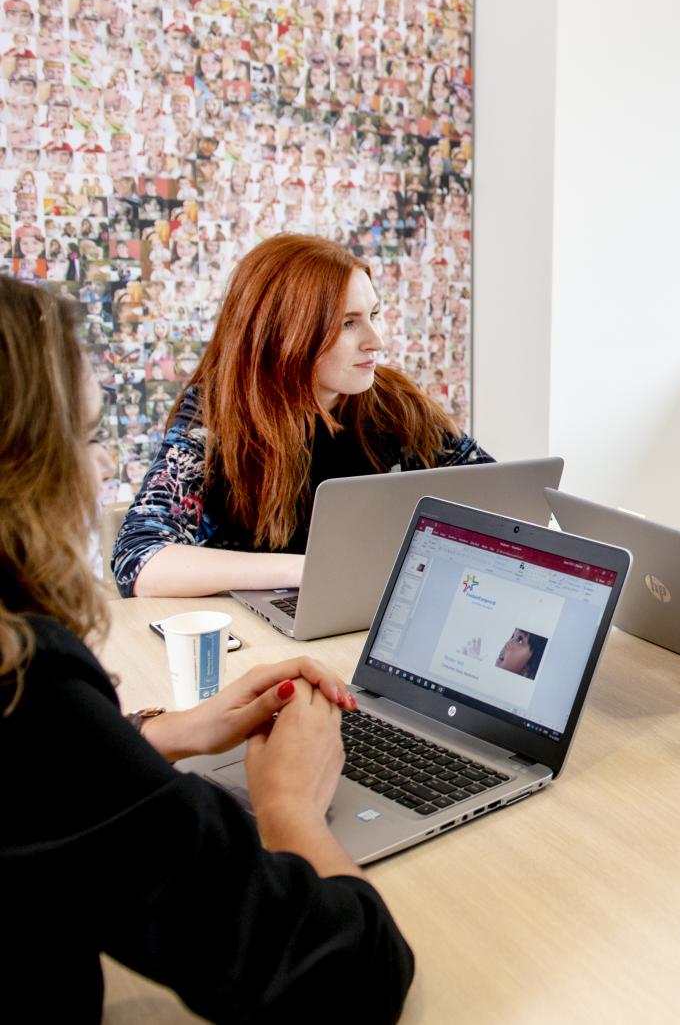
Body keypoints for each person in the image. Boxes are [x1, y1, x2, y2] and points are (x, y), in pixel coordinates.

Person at [0, 278, 414, 1020]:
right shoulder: (24, 692)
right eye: (91, 437)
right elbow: (343, 975)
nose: (101, 471)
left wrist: (159, 735)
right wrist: (289, 805)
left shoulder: (392, 409)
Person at [114, 234, 492, 597]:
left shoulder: (394, 400)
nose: (376, 340)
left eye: (374, 314)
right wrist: (309, 571)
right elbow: (140, 560)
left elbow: (499, 497)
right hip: (261, 634)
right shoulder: (215, 414)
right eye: (348, 323)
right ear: (284, 334)